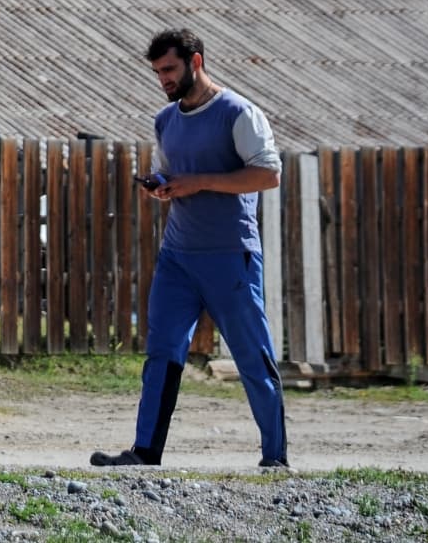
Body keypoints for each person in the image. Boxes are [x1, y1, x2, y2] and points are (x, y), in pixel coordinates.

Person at [91, 29, 288, 469]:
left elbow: (268, 176)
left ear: (195, 61)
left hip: (230, 254)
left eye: (170, 69)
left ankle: (275, 458)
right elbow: (172, 175)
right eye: (158, 71)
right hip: (177, 256)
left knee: (252, 357)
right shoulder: (165, 120)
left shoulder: (239, 113)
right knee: (162, 352)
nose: (163, 78)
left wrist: (200, 182)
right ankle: (145, 452)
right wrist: (163, 188)